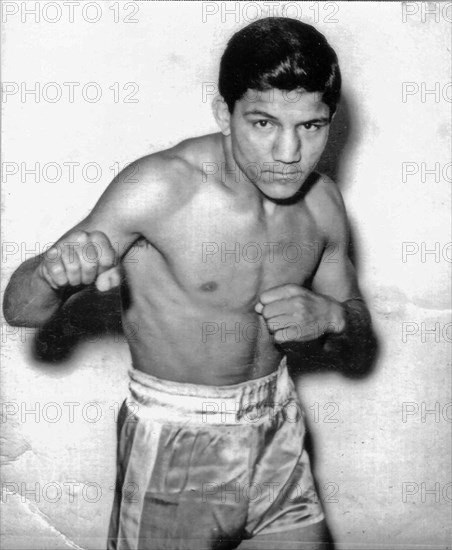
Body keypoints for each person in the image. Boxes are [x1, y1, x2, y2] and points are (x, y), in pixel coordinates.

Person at [3, 17, 376, 550]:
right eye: (264, 123)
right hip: (174, 445)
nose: (289, 153)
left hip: (279, 430)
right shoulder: (161, 187)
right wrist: (52, 276)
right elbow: (20, 308)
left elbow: (359, 338)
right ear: (225, 113)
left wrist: (336, 318)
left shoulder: (324, 204)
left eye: (311, 127)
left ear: (330, 120)